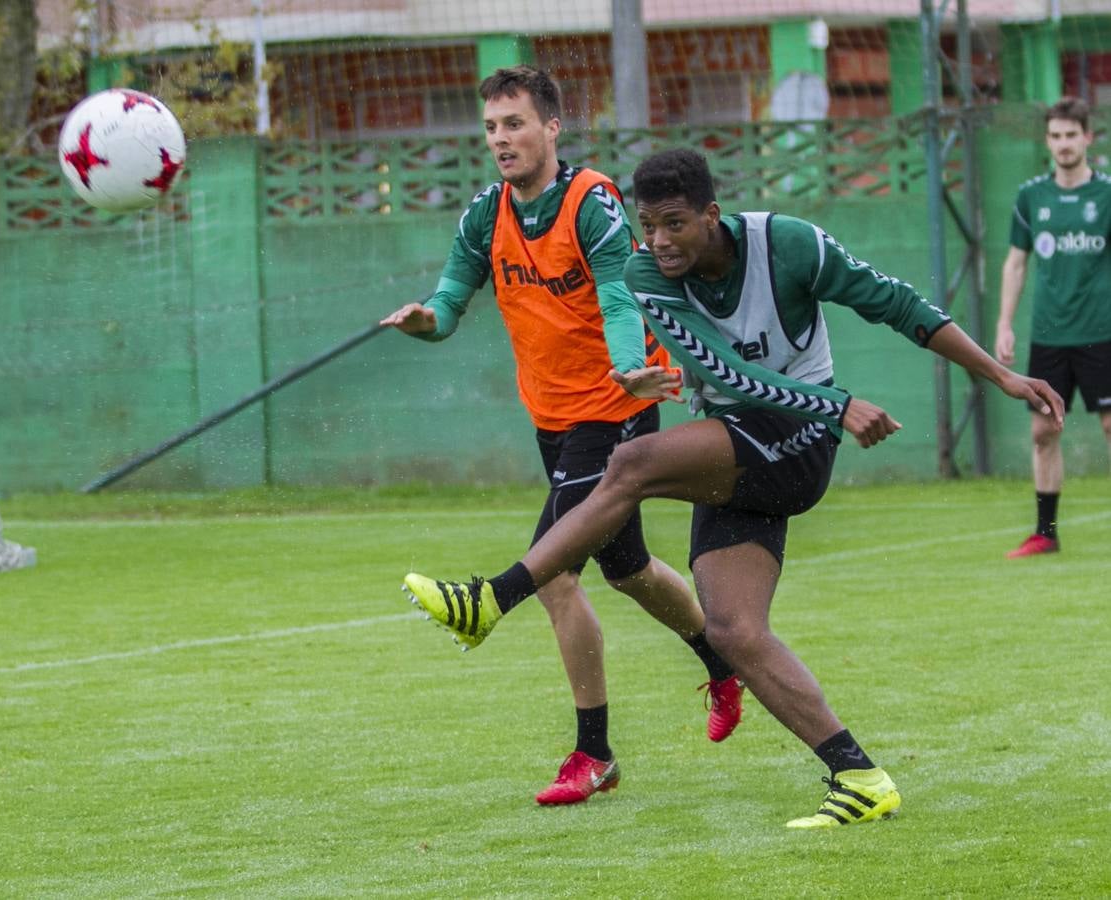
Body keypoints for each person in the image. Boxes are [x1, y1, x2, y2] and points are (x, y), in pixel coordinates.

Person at [403, 148, 1066, 827]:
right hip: (745, 442)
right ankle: (859, 776)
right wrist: (836, 404)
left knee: (630, 466)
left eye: (675, 224)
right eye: (648, 225)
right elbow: (722, 372)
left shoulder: (788, 244)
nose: (658, 241)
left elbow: (897, 305)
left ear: (711, 216)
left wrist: (1002, 377)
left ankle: (492, 598)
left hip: (798, 441)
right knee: (734, 629)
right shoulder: (646, 275)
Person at [380, 69, 743, 806]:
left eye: (514, 124)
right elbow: (451, 300)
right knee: (630, 570)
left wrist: (627, 367)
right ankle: (723, 661)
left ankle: (591, 749)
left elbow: (617, 296)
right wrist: (427, 324)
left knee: (555, 574)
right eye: (490, 128)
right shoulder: (486, 214)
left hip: (616, 407)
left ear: (551, 128)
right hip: (550, 414)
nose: (500, 140)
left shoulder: (594, 203)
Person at [995, 96, 1111, 559]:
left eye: (1071, 135)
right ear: (1048, 141)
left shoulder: (1106, 195)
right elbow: (1016, 264)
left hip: (1101, 333)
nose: (1063, 144)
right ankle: (1046, 532)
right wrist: (1005, 323)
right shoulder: (1031, 197)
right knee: (1043, 433)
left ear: (1087, 137)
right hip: (1049, 335)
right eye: (1056, 136)